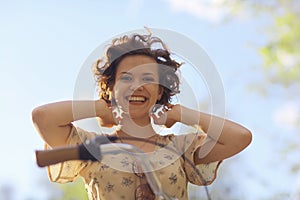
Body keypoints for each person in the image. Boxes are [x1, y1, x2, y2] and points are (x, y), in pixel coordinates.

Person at [32, 30, 252, 200]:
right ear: (111, 87)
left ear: (160, 92)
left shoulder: (181, 148)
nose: (136, 86)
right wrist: (100, 108)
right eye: (126, 78)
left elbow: (239, 137)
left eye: (147, 78)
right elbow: (43, 117)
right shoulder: (91, 145)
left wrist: (181, 114)